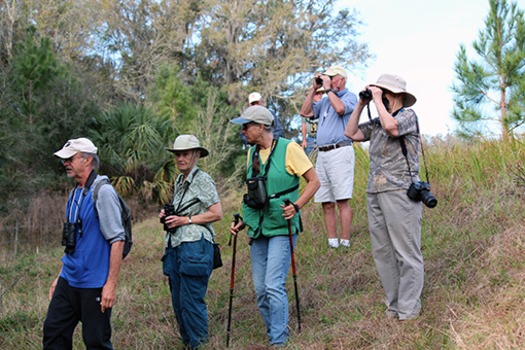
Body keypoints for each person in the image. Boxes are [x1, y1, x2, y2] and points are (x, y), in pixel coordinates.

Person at [229, 106, 320, 346]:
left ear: (260, 127)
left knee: (273, 285)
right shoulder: (252, 154)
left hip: (282, 225)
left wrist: (297, 206)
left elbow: (314, 181)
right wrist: (241, 219)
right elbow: (253, 191)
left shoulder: (289, 149)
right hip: (258, 226)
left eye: (246, 126)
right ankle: (276, 332)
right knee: (261, 291)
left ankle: (278, 341)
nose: (243, 131)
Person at [344, 74, 424, 320]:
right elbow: (351, 133)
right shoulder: (378, 120)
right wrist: (361, 104)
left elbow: (392, 128)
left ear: (397, 95)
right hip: (376, 191)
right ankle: (394, 305)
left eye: (384, 93)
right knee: (383, 253)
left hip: (400, 190)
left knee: (406, 250)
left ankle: (409, 309)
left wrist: (377, 99)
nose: (381, 96)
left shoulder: (407, 116)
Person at [43, 138, 126, 349]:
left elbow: (117, 240)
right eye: (65, 159)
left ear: (87, 159)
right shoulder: (75, 193)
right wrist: (60, 275)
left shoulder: (103, 192)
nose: (65, 163)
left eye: (70, 159)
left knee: (96, 341)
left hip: (94, 284)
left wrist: (110, 285)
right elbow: (75, 242)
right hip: (69, 280)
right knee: (54, 333)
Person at [160, 134, 223, 349]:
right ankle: (189, 344)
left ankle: (199, 344)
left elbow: (217, 213)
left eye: (185, 154)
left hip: (195, 245)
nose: (180, 158)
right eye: (177, 154)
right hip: (176, 245)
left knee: (191, 301)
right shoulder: (180, 181)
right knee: (178, 302)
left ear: (196, 155)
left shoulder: (202, 179)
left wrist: (185, 220)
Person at [300, 65, 357, 249]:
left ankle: (345, 241)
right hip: (322, 154)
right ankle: (332, 243)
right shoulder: (324, 100)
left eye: (332, 77)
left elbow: (340, 109)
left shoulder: (350, 97)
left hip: (340, 151)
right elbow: (305, 113)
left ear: (341, 79)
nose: (329, 81)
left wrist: (329, 90)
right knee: (326, 201)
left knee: (342, 199)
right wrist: (314, 89)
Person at [301, 87, 324, 155]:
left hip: (323, 138)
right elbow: (303, 125)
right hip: (311, 138)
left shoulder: (325, 106)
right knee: (310, 160)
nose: (319, 95)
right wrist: (304, 140)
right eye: (316, 94)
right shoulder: (307, 109)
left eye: (320, 93)